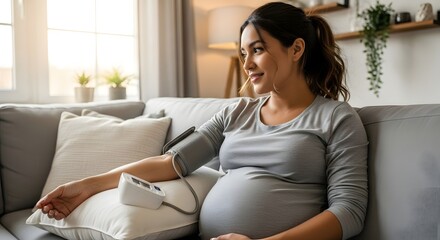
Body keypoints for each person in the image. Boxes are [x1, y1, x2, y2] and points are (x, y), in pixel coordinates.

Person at [36, 2, 368, 240]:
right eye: (243, 53)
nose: (247, 63)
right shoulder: (236, 112)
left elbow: (348, 213)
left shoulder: (336, 118)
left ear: (296, 49)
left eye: (257, 50)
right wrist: (86, 186)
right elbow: (171, 163)